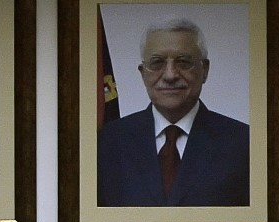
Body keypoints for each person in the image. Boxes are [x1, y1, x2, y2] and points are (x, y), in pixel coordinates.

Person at [97, 18, 250, 207]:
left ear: (205, 71)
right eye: (157, 63)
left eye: (184, 62)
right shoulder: (107, 143)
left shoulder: (244, 143)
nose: (170, 75)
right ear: (143, 73)